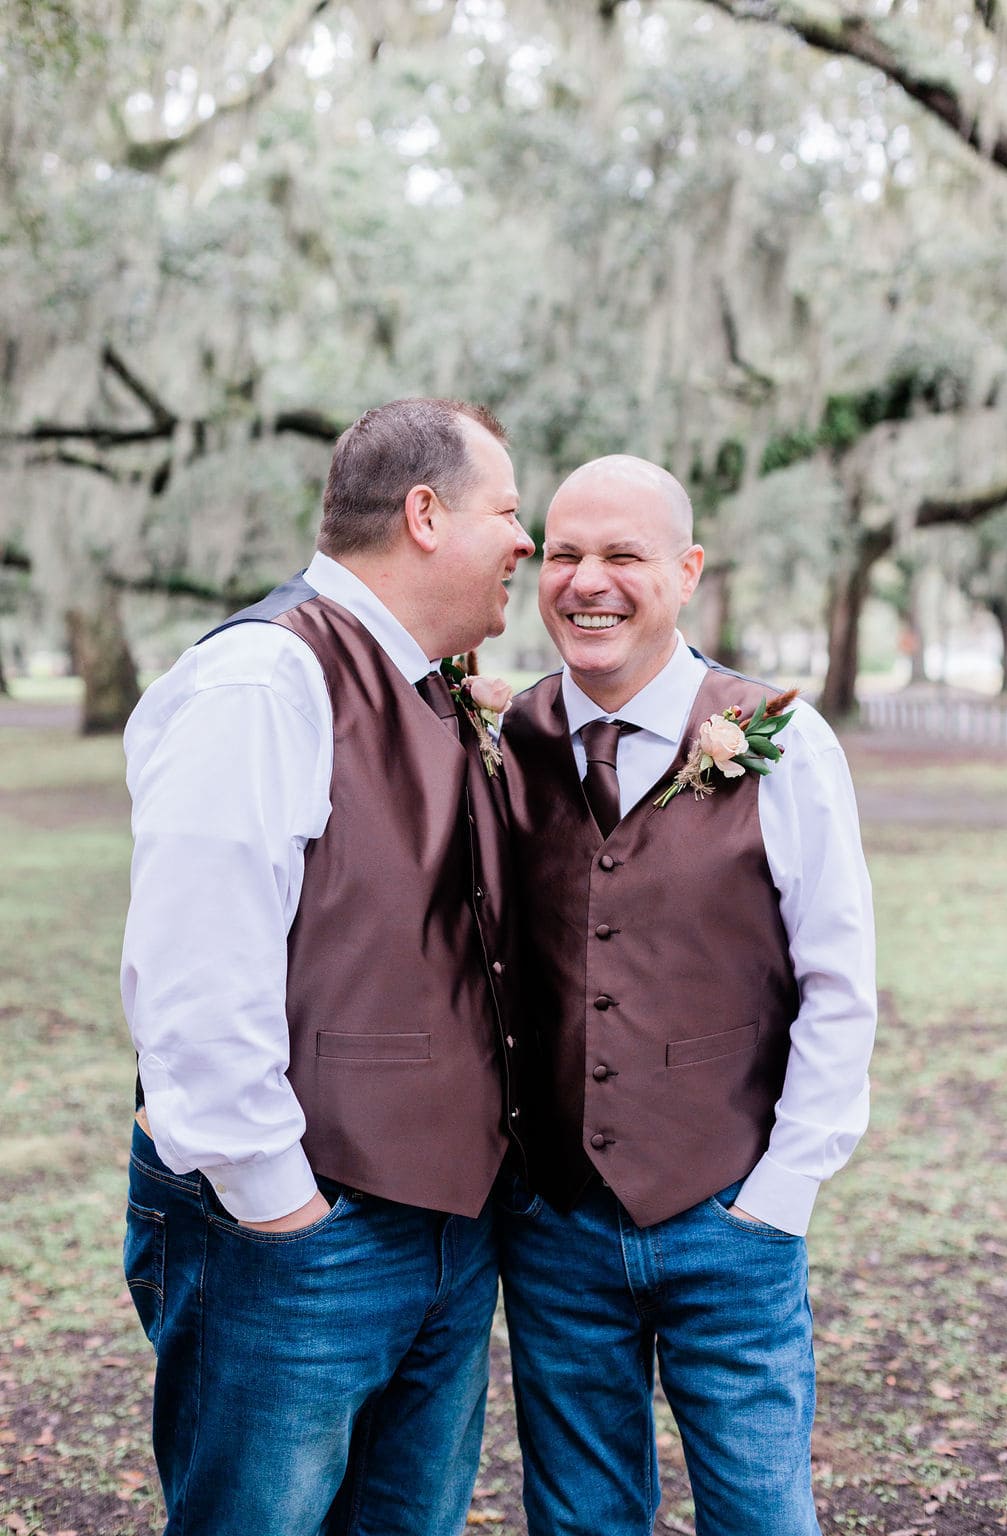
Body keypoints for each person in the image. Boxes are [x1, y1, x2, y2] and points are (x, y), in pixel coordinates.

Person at [120, 397, 535, 1536]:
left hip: (445, 1232)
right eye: (507, 510)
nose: (526, 541)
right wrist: (285, 1213)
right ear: (424, 514)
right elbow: (196, 978)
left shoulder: (432, 685)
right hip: (303, 1238)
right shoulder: (265, 680)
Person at [498, 454, 876, 1536]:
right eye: (563, 554)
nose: (588, 581)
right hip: (556, 1225)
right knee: (579, 1522)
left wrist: (781, 1194)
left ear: (687, 571)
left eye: (623, 555)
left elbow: (838, 980)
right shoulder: (506, 740)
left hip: (730, 1214)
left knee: (761, 1515)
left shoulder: (783, 741)